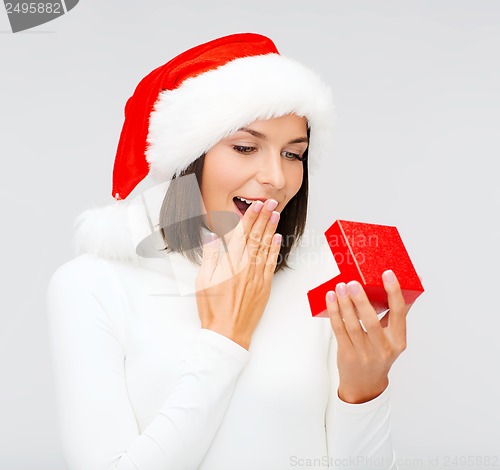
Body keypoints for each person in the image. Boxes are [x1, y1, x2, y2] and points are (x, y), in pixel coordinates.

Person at [46, 33, 412, 470]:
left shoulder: (322, 280)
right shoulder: (92, 284)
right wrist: (224, 340)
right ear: (188, 157)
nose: (277, 177)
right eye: (245, 147)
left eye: (294, 154)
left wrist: (365, 390)